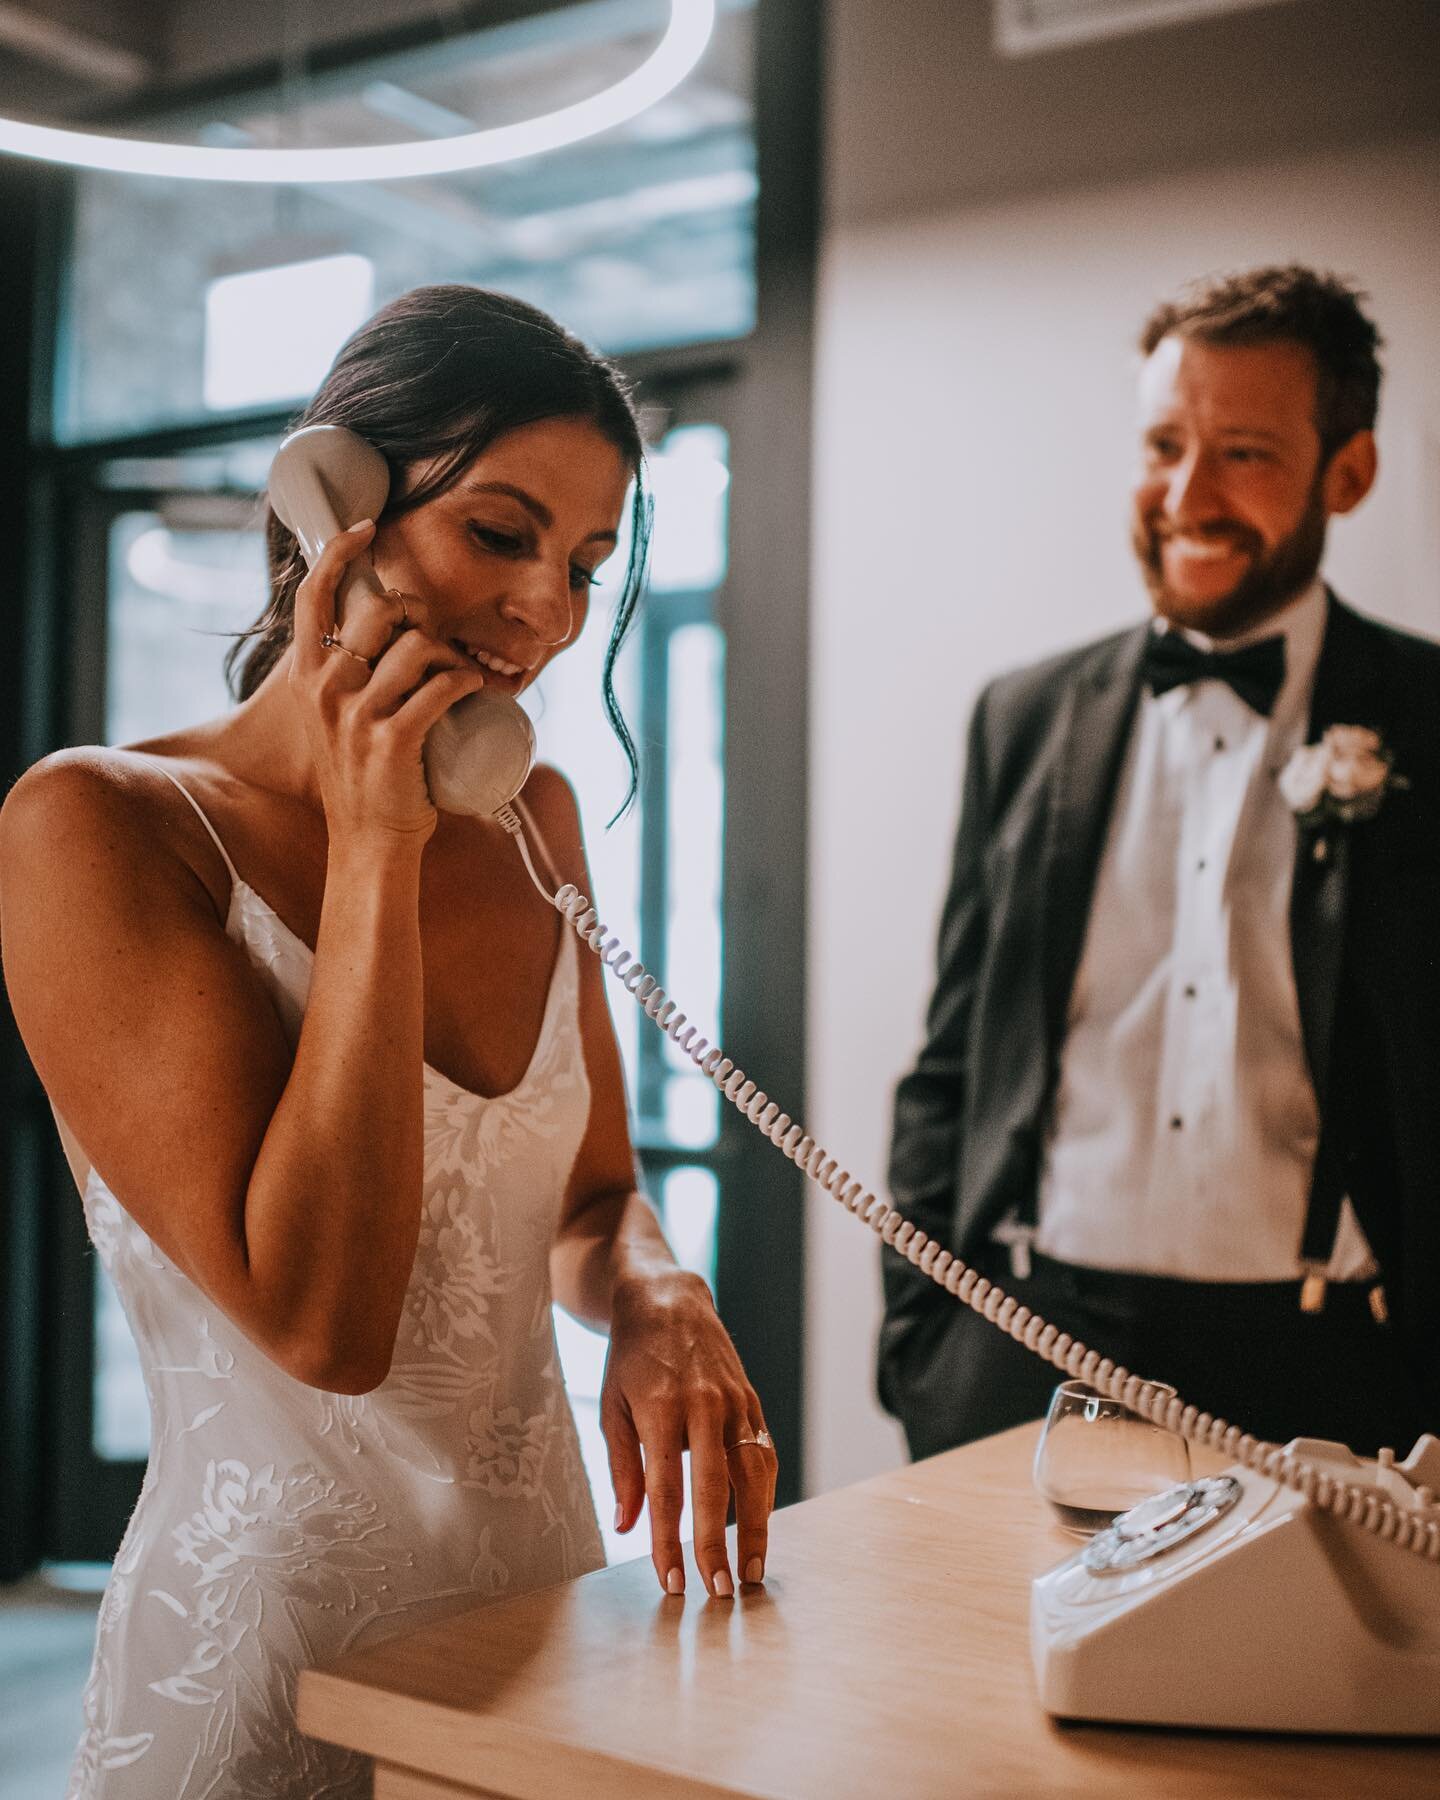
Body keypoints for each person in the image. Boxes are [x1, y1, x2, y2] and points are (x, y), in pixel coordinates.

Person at [0, 286, 778, 1800]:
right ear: (333, 506)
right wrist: (377, 845)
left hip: (542, 1637)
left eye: (585, 566)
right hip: (267, 1674)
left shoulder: (537, 822)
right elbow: (323, 1327)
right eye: (502, 534)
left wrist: (658, 1290)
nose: (548, 613)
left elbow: (593, 1198)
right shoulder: (95, 827)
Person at [880, 264, 1440, 1464]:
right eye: (1164, 444)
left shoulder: (1430, 720)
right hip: (1031, 1351)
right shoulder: (1021, 716)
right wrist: (925, 1348)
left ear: (1349, 472)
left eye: (1244, 452)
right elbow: (950, 1060)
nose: (1189, 493)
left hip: (1334, 1369)